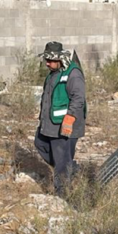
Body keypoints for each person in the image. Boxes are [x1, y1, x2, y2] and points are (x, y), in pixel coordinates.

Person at [35, 41, 86, 194]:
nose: (47, 64)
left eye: (51, 61)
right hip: (50, 125)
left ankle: (62, 194)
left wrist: (69, 119)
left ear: (60, 60)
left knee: (62, 161)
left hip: (65, 126)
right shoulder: (54, 74)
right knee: (40, 143)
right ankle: (70, 167)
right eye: (46, 60)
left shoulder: (73, 74)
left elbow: (78, 98)